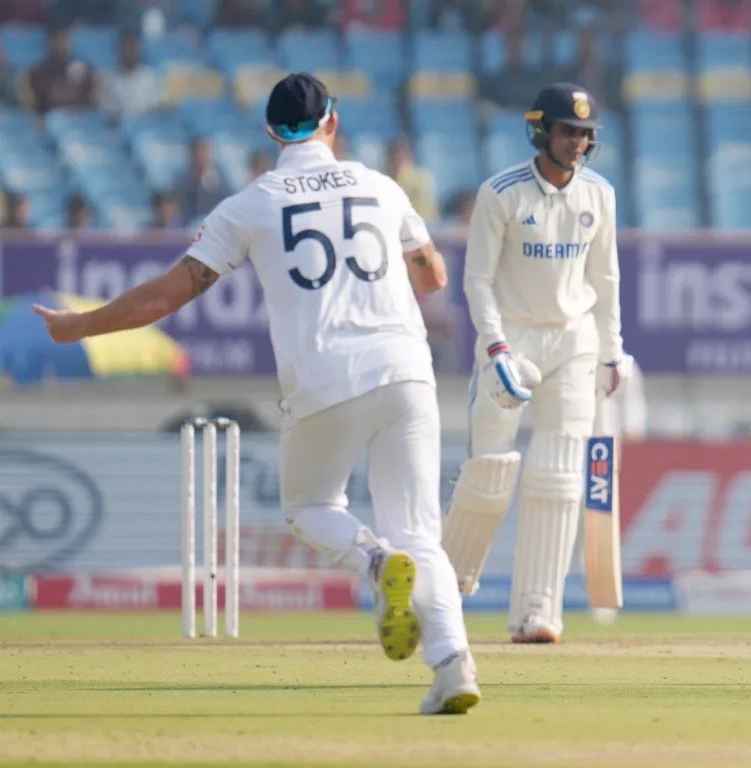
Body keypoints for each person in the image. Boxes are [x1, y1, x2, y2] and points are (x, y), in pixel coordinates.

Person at [32, 73, 480, 714]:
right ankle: (454, 666)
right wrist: (410, 258)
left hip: (325, 377)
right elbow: (433, 277)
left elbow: (166, 295)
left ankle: (376, 564)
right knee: (420, 532)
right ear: (333, 122)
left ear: (272, 133)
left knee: (309, 507)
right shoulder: (381, 185)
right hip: (406, 369)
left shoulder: (249, 204)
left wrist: (80, 324)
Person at [443, 82, 630, 644]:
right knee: (490, 473)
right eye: (567, 131)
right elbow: (475, 280)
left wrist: (611, 350)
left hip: (573, 342)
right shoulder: (501, 194)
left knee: (557, 476)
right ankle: (443, 594)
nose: (576, 142)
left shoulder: (600, 195)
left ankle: (538, 610)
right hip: (512, 343)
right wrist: (495, 345)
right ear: (540, 131)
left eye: (585, 134)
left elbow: (606, 279)